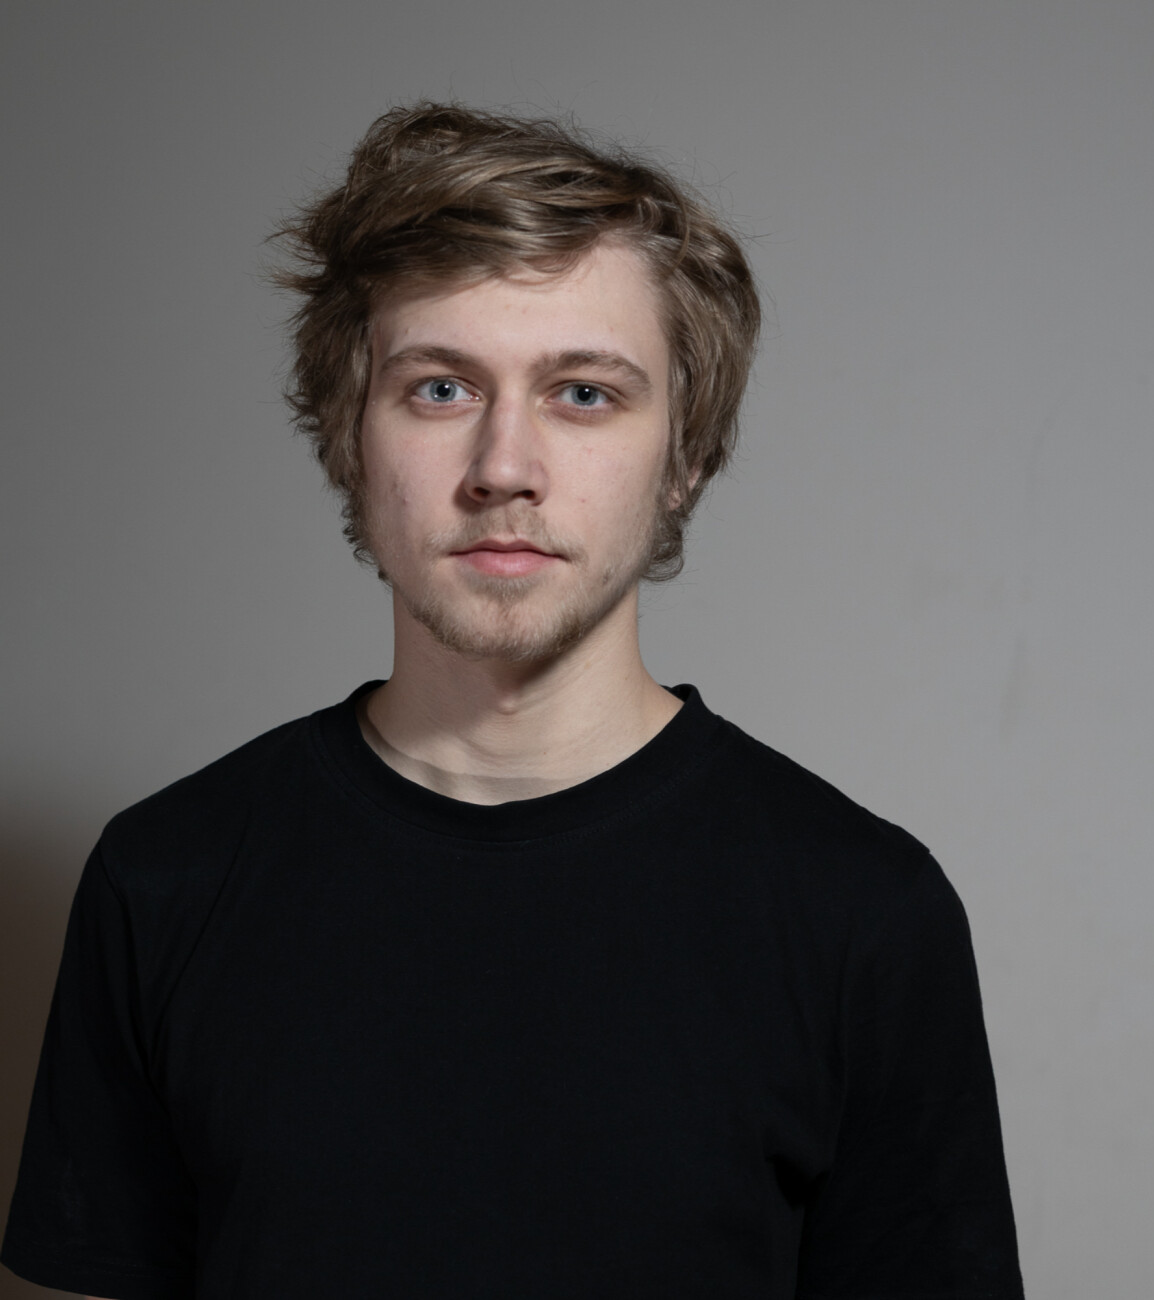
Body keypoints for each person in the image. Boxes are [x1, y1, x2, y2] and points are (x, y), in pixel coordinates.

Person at [2, 103, 1023, 1299]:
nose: (503, 468)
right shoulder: (165, 878)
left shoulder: (863, 913)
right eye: (440, 388)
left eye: (582, 393)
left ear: (685, 454)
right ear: (350, 437)